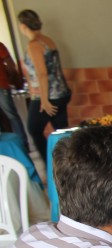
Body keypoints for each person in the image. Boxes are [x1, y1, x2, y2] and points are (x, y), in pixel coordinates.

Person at [17, 9, 71, 161]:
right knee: (61, 132)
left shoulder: (34, 45)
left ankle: (50, 164)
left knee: (34, 129)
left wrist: (44, 100)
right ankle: (68, 163)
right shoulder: (47, 40)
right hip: (62, 93)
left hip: (49, 96)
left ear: (23, 26)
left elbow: (42, 74)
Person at [0, 41, 30, 153]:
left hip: (1, 86)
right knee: (11, 116)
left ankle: (22, 145)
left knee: (11, 115)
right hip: (2, 86)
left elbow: (10, 64)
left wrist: (13, 79)